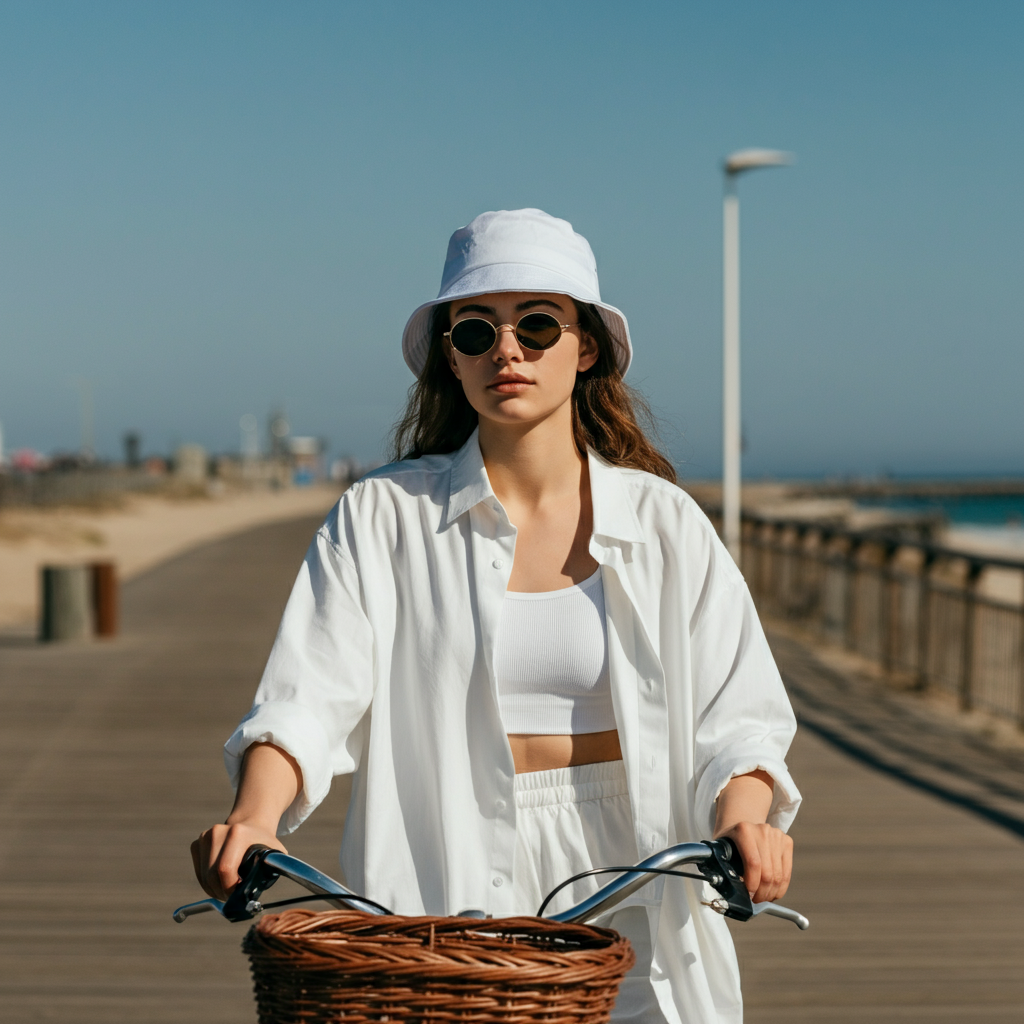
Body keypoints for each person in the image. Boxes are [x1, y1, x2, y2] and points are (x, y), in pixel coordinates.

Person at [191, 208, 801, 1023]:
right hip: (447, 883)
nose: (507, 349)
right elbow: (307, 698)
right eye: (475, 330)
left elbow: (742, 719)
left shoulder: (666, 524)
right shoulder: (382, 517)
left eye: (538, 324)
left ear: (585, 348)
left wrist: (746, 824)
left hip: (639, 870)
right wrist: (254, 817)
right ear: (452, 355)